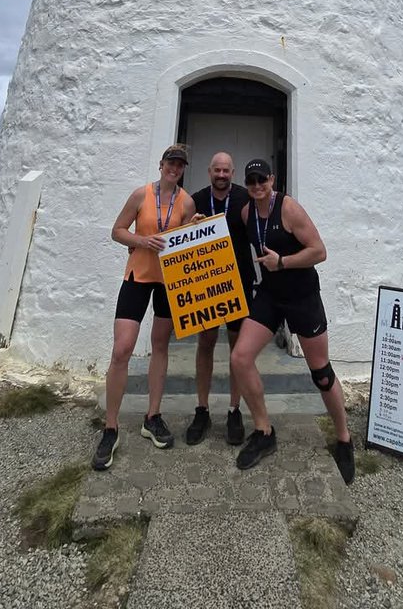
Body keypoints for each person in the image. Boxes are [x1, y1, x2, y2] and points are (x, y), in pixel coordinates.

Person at [229, 158, 355, 484]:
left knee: (322, 374)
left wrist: (282, 262)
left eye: (262, 179)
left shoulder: (288, 209)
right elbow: (225, 239)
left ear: (272, 179)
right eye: (251, 180)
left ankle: (344, 439)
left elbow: (319, 251)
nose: (257, 185)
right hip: (269, 297)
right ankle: (263, 430)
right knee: (240, 359)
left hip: (302, 297)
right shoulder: (246, 213)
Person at [92, 145, 196, 470]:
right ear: (161, 164)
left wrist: (198, 225)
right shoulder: (141, 195)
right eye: (171, 163)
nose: (174, 169)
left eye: (180, 165)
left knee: (160, 346)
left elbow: (188, 238)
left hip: (169, 281)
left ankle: (152, 416)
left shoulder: (186, 201)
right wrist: (141, 241)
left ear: (182, 169)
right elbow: (117, 231)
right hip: (138, 276)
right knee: (122, 350)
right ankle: (111, 427)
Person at [184, 152, 252, 446]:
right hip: (207, 285)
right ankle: (202, 409)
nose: (221, 175)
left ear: (232, 172)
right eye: (217, 170)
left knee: (238, 349)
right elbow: (179, 240)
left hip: (239, 283)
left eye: (226, 170)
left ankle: (234, 410)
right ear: (209, 171)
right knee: (206, 343)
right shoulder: (196, 200)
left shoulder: (246, 198)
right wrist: (191, 225)